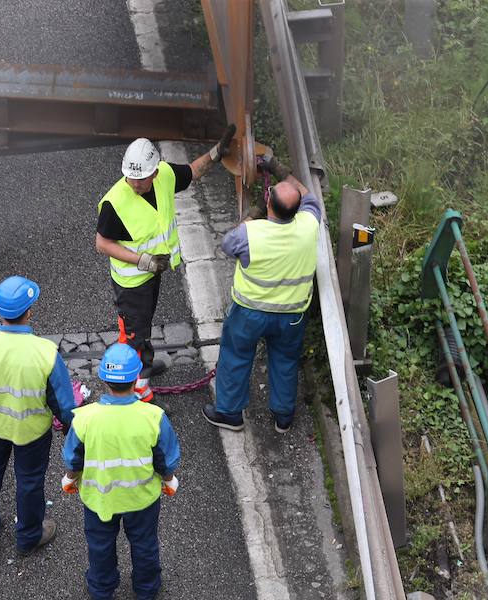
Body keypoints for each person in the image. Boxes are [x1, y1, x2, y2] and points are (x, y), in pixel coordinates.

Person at [95, 125, 236, 401]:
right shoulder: (114, 203)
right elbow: (102, 244)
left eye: (141, 178)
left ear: (155, 172)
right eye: (130, 178)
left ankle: (144, 367)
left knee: (143, 325)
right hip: (132, 282)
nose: (135, 184)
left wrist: (215, 154)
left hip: (152, 272)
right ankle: (138, 392)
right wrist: (142, 260)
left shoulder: (166, 176)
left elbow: (193, 171)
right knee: (133, 335)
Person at [0, 276, 77, 552]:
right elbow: (62, 401)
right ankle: (29, 536)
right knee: (30, 482)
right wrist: (67, 425)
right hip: (31, 431)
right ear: (29, 312)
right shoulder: (45, 352)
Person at [202, 156, 321, 433]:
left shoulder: (249, 233)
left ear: (269, 201)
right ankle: (282, 416)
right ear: (296, 209)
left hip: (249, 314)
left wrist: (255, 211)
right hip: (291, 316)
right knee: (285, 360)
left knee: (236, 356)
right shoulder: (308, 225)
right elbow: (309, 197)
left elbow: (228, 244)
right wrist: (279, 167)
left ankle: (230, 414)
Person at [61, 343, 180, 600]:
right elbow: (165, 459)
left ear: (103, 378)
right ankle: (147, 589)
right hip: (142, 500)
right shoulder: (153, 416)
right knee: (144, 544)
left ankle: (101, 589)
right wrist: (169, 481)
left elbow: (74, 459)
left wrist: (70, 480)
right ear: (137, 377)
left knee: (100, 546)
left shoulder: (84, 418)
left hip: (99, 499)